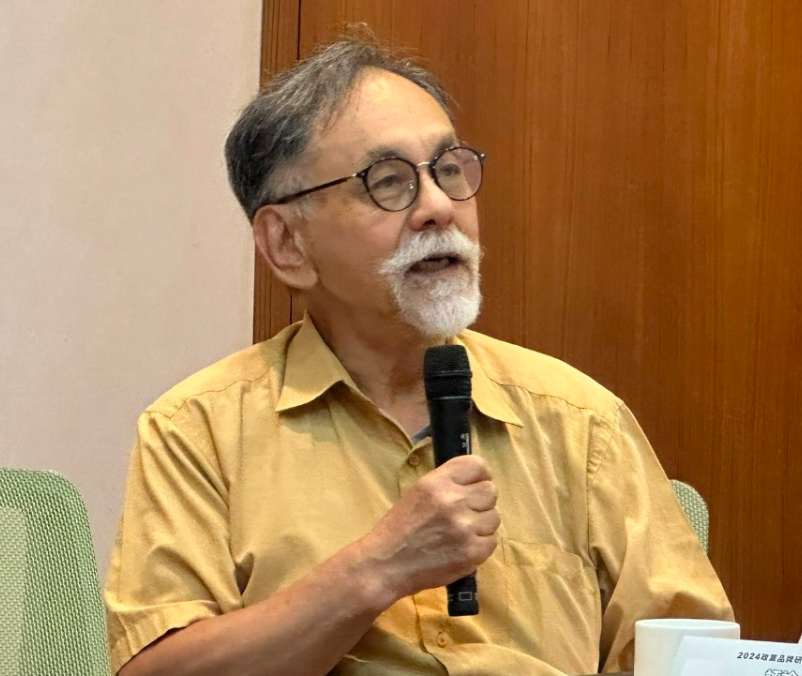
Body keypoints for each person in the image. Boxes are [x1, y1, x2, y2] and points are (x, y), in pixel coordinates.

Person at [104, 34, 733, 676]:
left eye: (449, 171)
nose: (438, 208)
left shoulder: (580, 420)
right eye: (388, 183)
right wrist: (376, 569)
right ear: (288, 244)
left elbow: (698, 660)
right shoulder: (199, 431)